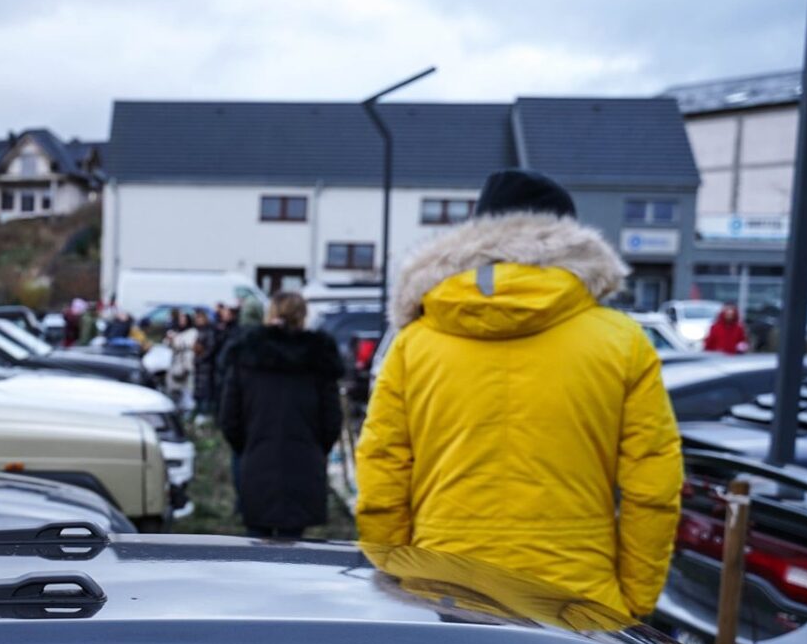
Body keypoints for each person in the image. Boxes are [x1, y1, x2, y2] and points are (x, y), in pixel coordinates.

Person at [354, 167, 682, 619]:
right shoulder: (623, 342)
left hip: (442, 589)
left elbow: (382, 471)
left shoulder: (415, 344)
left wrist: (397, 575)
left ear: (474, 237)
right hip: (577, 596)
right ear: (571, 241)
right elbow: (653, 485)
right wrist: (635, 599)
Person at [220, 291, 342, 538]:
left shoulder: (248, 353)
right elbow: (331, 421)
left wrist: (248, 447)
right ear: (303, 316)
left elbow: (229, 419)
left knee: (255, 548)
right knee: (295, 548)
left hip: (257, 462)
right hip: (304, 464)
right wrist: (315, 449)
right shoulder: (318, 357)